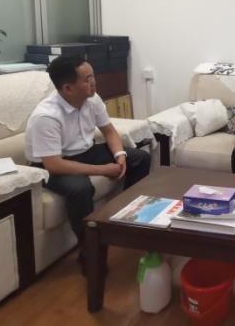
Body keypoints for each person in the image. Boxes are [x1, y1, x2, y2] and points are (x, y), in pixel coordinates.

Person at [24, 55, 151, 273]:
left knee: (139, 158)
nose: (94, 82)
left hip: (86, 152)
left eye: (93, 76)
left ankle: (126, 221)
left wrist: (120, 155)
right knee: (80, 188)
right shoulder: (46, 116)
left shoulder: (92, 99)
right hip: (53, 165)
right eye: (87, 79)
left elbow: (109, 131)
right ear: (68, 88)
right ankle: (89, 251)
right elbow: (54, 165)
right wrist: (103, 170)